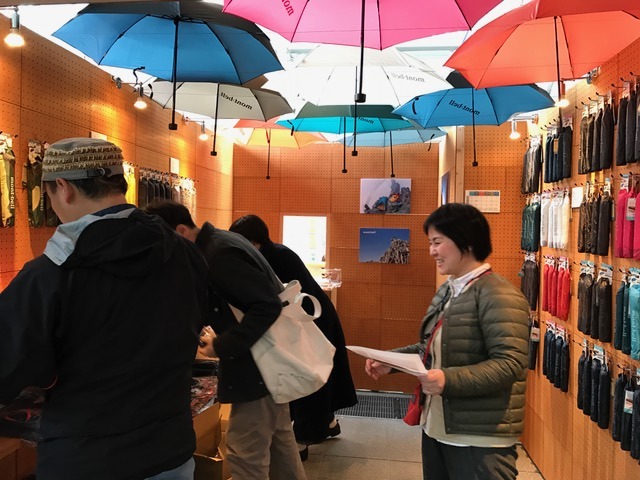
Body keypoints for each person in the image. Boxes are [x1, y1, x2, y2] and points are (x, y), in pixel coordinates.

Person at [0, 138, 210, 480]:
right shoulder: (184, 254)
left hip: (87, 457)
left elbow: (8, 366)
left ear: (64, 188)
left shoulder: (52, 273)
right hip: (170, 449)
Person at [142, 201, 306, 480]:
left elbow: (266, 306)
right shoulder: (219, 242)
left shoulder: (218, 254)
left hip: (257, 368)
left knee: (245, 456)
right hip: (269, 363)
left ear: (180, 231)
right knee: (280, 446)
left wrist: (221, 345)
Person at [365, 203, 530, 480]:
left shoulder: (499, 294)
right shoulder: (448, 290)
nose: (431, 251)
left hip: (479, 440)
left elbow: (510, 364)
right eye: (430, 243)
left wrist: (447, 380)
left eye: (437, 242)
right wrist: (390, 362)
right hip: (437, 427)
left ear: (466, 241)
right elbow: (430, 348)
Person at [229, 214, 357, 459]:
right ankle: (327, 423)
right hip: (304, 319)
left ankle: (301, 440)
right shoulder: (268, 254)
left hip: (312, 321)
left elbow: (278, 298)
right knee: (315, 376)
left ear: (255, 241)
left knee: (305, 377)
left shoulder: (278, 256)